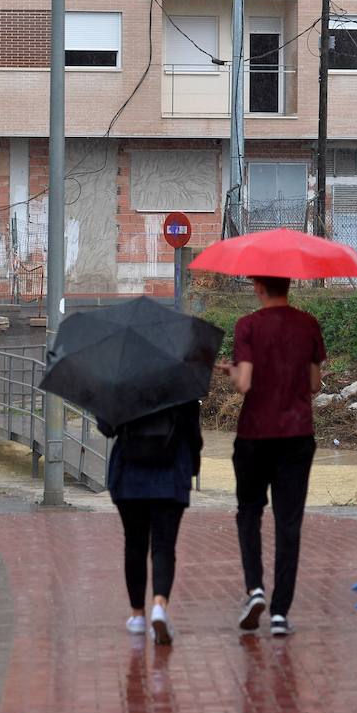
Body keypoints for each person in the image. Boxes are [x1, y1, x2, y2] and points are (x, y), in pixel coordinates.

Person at [220, 275, 326, 637]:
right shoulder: (308, 324)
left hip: (254, 435)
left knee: (249, 511)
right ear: (288, 286)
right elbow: (314, 384)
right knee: (289, 521)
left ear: (259, 288)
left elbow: (244, 383)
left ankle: (255, 590)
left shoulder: (247, 326)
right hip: (297, 435)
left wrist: (232, 371)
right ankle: (280, 613)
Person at [101, 399, 203, 645]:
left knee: (134, 544)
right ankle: (159, 605)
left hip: (129, 472)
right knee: (164, 545)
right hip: (171, 470)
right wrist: (192, 465)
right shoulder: (181, 382)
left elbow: (106, 427)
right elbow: (193, 433)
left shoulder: (123, 380)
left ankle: (137, 615)